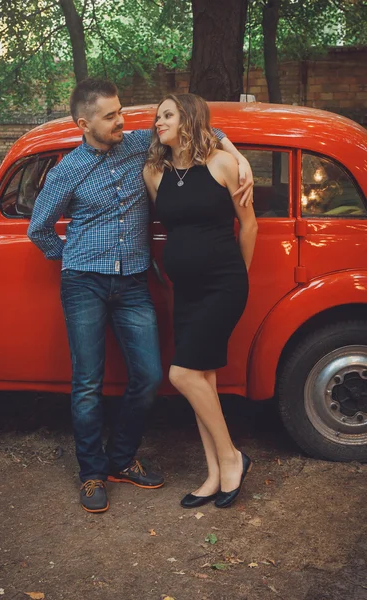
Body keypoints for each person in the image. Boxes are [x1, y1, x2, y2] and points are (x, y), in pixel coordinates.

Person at [27, 78, 254, 514]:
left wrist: (239, 156)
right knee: (88, 383)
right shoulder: (67, 170)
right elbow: (38, 228)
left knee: (150, 376)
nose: (123, 121)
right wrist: (72, 257)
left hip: (132, 280)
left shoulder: (136, 147)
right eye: (111, 116)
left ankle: (122, 459)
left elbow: (195, 125)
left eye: (121, 113)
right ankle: (92, 472)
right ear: (84, 123)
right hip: (84, 282)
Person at [143, 93, 258, 509]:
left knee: (182, 375)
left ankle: (232, 458)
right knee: (202, 379)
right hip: (186, 290)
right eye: (158, 117)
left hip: (224, 285)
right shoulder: (155, 173)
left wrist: (239, 276)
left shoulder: (224, 165)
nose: (159, 122)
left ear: (188, 119)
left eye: (167, 115)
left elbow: (249, 225)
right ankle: (213, 474)